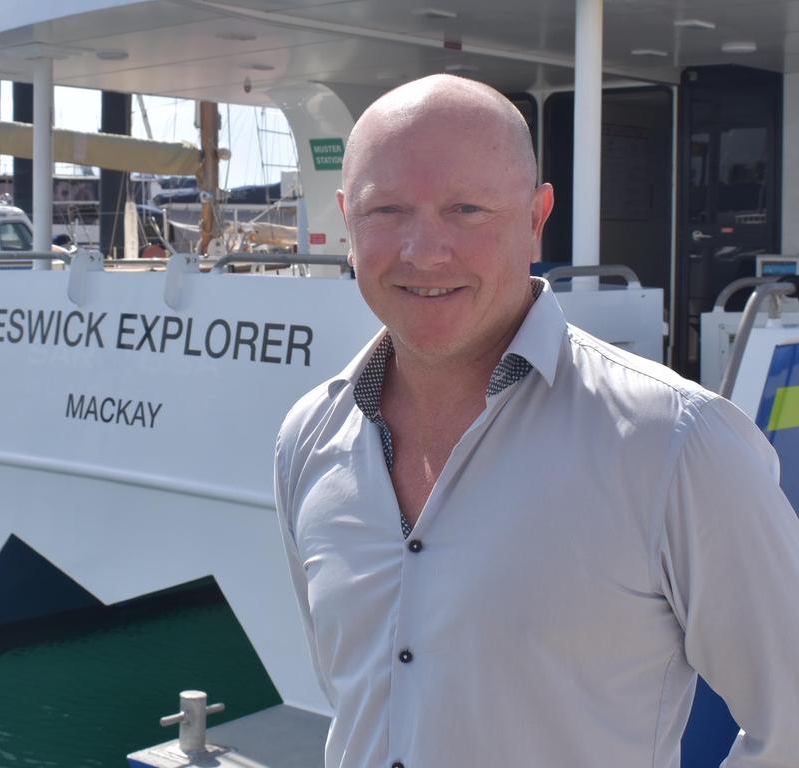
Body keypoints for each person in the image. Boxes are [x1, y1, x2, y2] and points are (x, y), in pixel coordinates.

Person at [273, 74, 799, 768]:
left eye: (466, 209)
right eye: (387, 210)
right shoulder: (308, 439)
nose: (425, 252)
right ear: (347, 220)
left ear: (535, 217)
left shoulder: (677, 442)